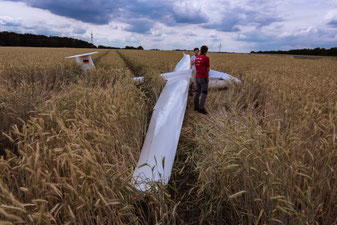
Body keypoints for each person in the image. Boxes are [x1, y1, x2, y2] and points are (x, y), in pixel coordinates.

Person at [194, 45, 210, 114]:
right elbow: (207, 69)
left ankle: (196, 106)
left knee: (197, 92)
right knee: (204, 93)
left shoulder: (197, 57)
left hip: (197, 76)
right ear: (206, 51)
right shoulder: (206, 58)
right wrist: (207, 77)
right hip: (203, 77)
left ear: (200, 50)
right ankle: (201, 108)